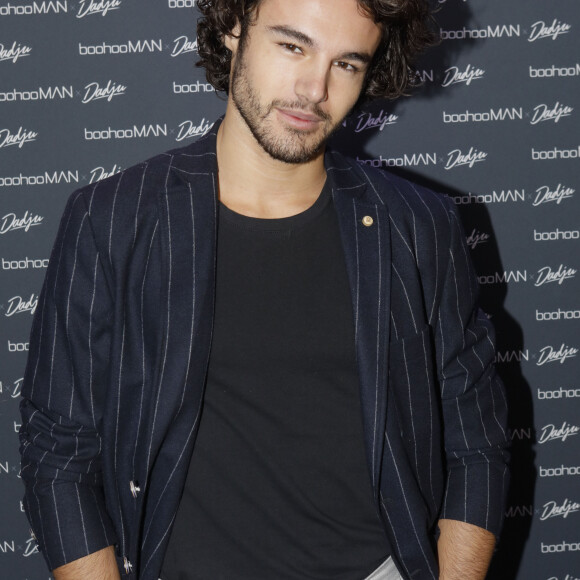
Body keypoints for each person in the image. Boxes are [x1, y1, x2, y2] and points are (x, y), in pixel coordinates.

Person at [18, 0, 510, 579]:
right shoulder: (113, 219)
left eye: (347, 64)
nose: (315, 89)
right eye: (292, 46)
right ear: (233, 28)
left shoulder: (418, 225)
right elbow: (59, 453)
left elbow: (478, 442)